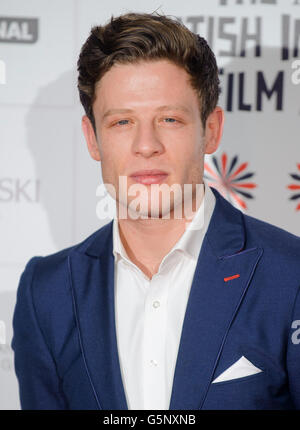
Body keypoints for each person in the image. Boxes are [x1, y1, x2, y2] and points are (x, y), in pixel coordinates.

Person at [11, 12, 300, 410]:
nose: (146, 144)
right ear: (92, 138)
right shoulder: (46, 292)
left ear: (211, 130)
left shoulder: (290, 275)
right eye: (122, 122)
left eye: (169, 119)